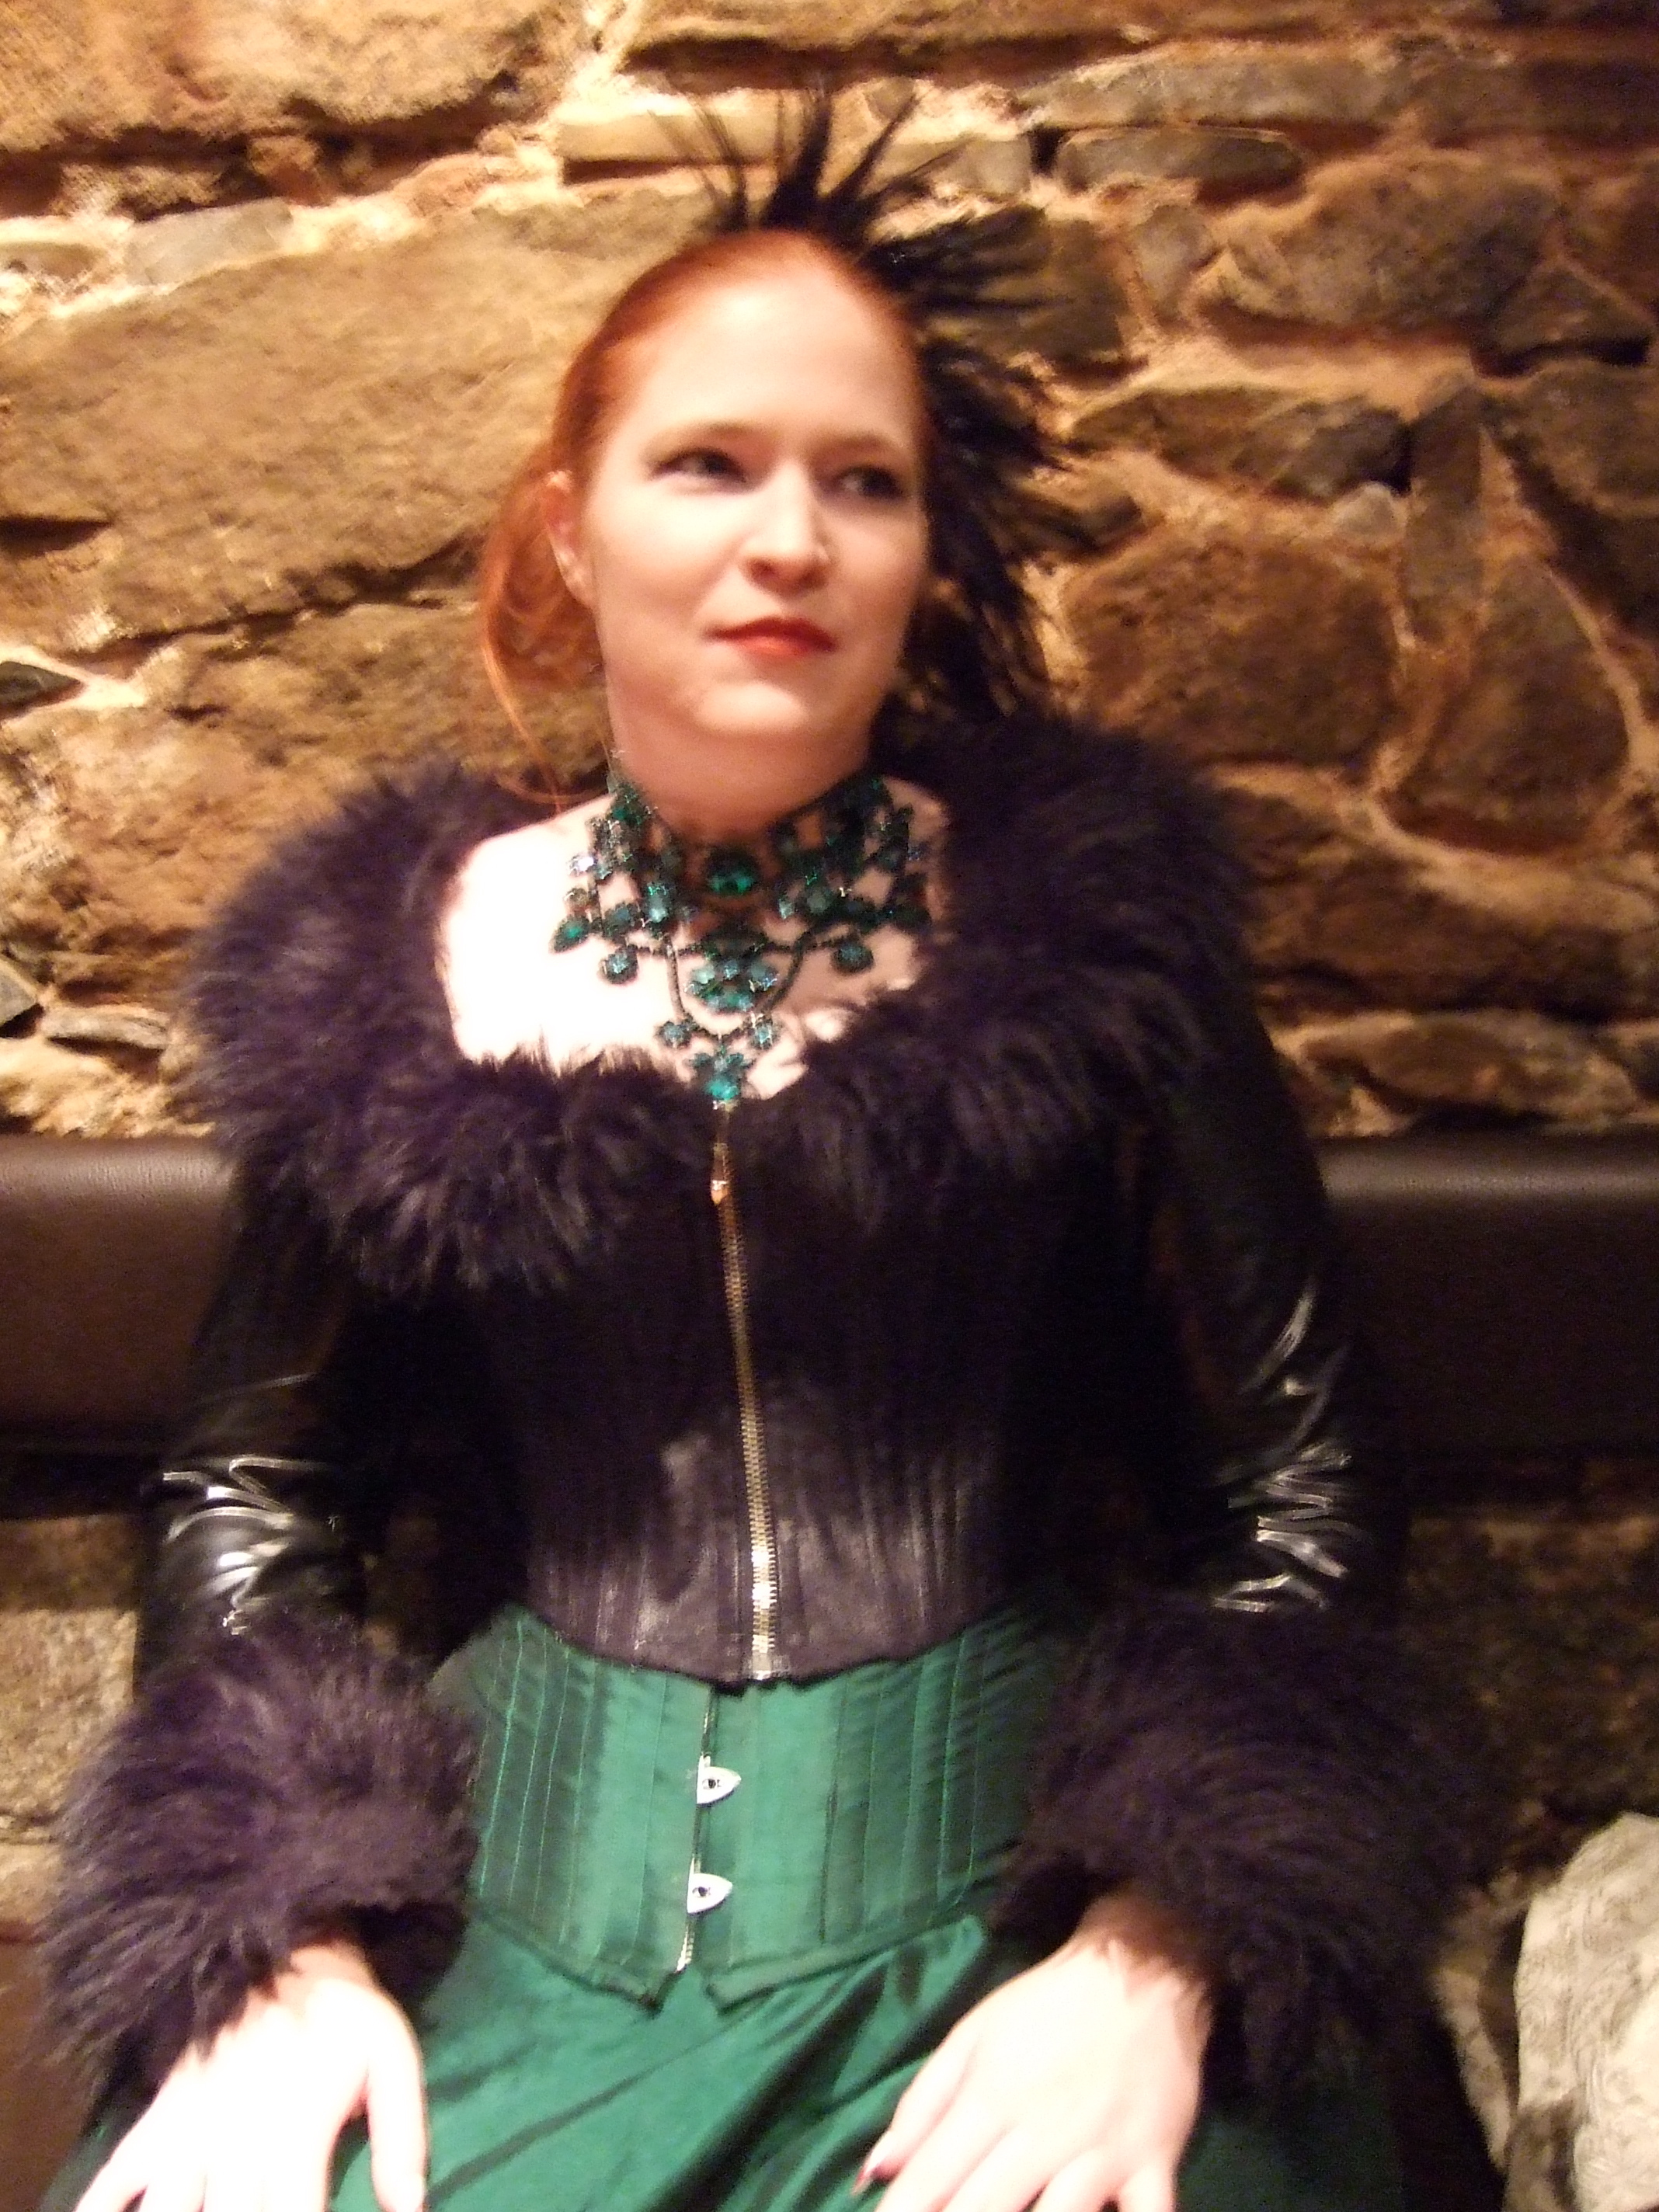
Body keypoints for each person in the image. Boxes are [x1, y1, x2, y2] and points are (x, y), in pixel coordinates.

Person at [42, 103, 1467, 2212]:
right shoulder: (389, 966)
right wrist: (287, 1940)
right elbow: (259, 1487)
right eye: (708, 462)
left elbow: (1298, 1486)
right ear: (570, 529)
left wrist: (1160, 1950)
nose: (790, 538)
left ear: (924, 555)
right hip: (502, 1926)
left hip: (1017, 1936)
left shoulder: (1094, 936)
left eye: (863, 481)